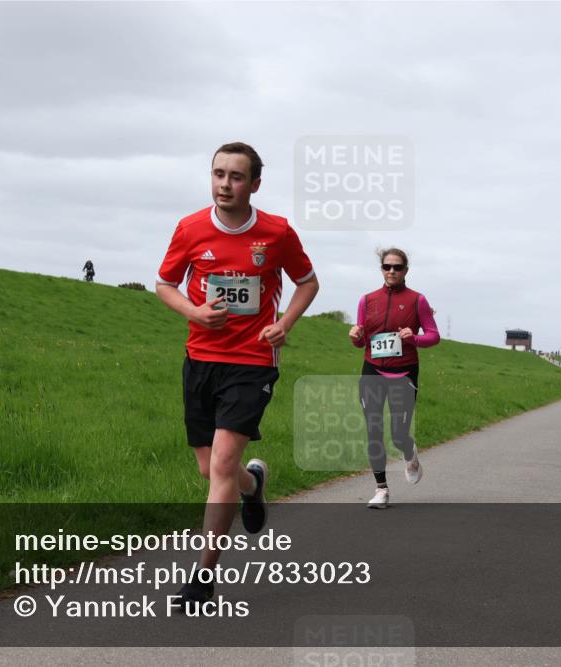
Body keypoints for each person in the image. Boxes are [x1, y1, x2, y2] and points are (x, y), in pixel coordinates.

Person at [155, 142, 319, 609]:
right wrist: (195, 311)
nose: (225, 185)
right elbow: (165, 284)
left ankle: (203, 575)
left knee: (222, 466)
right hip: (201, 358)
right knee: (212, 470)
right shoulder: (190, 229)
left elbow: (308, 282)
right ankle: (254, 486)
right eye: (218, 174)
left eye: (236, 177)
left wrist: (284, 324)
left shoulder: (276, 232)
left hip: (252, 361)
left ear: (255, 184)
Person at [349, 248, 440, 509]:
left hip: (404, 373)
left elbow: (433, 336)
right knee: (373, 431)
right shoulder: (367, 300)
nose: (391, 271)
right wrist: (356, 337)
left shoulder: (417, 300)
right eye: (387, 267)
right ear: (381, 269)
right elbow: (362, 340)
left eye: (397, 267)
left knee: (399, 434)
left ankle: (409, 453)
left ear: (405, 271)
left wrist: (415, 338)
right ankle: (381, 490)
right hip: (372, 371)